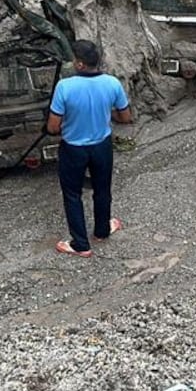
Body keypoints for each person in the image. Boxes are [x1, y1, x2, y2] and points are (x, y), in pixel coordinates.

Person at [47, 40, 133, 257]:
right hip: (102, 146)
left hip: (73, 148)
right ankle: (102, 231)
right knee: (102, 189)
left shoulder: (64, 87)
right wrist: (106, 113)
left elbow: (53, 126)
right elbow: (126, 117)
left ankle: (80, 244)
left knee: (72, 195)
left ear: (80, 64)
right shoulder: (112, 83)